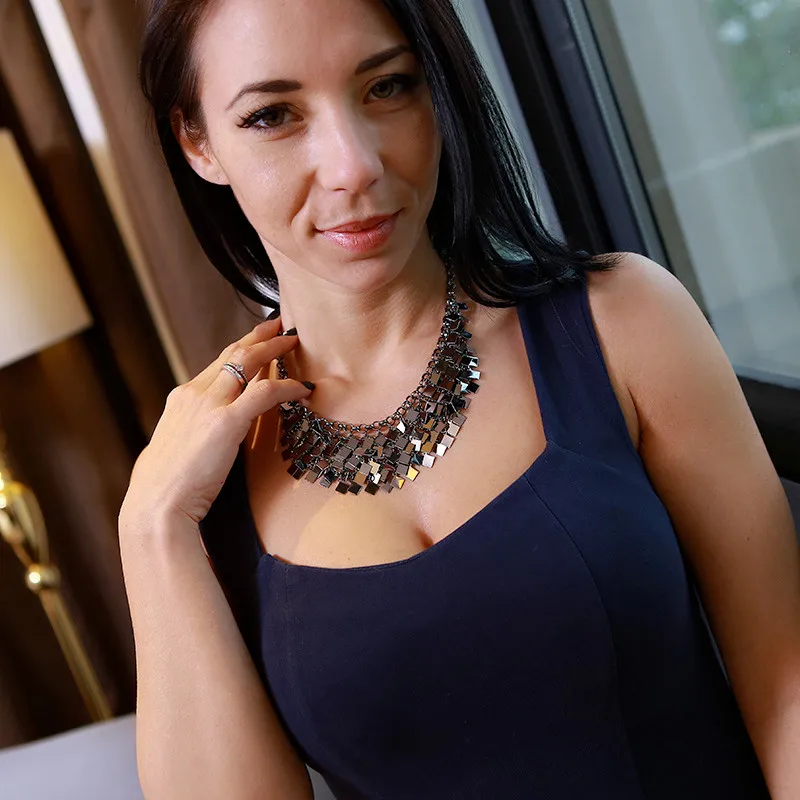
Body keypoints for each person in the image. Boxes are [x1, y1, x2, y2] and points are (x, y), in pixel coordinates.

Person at [118, 0, 800, 798]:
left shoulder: (623, 322)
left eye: (387, 87)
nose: (353, 166)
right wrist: (151, 531)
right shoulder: (206, 480)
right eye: (273, 115)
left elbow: (787, 685)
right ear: (197, 142)